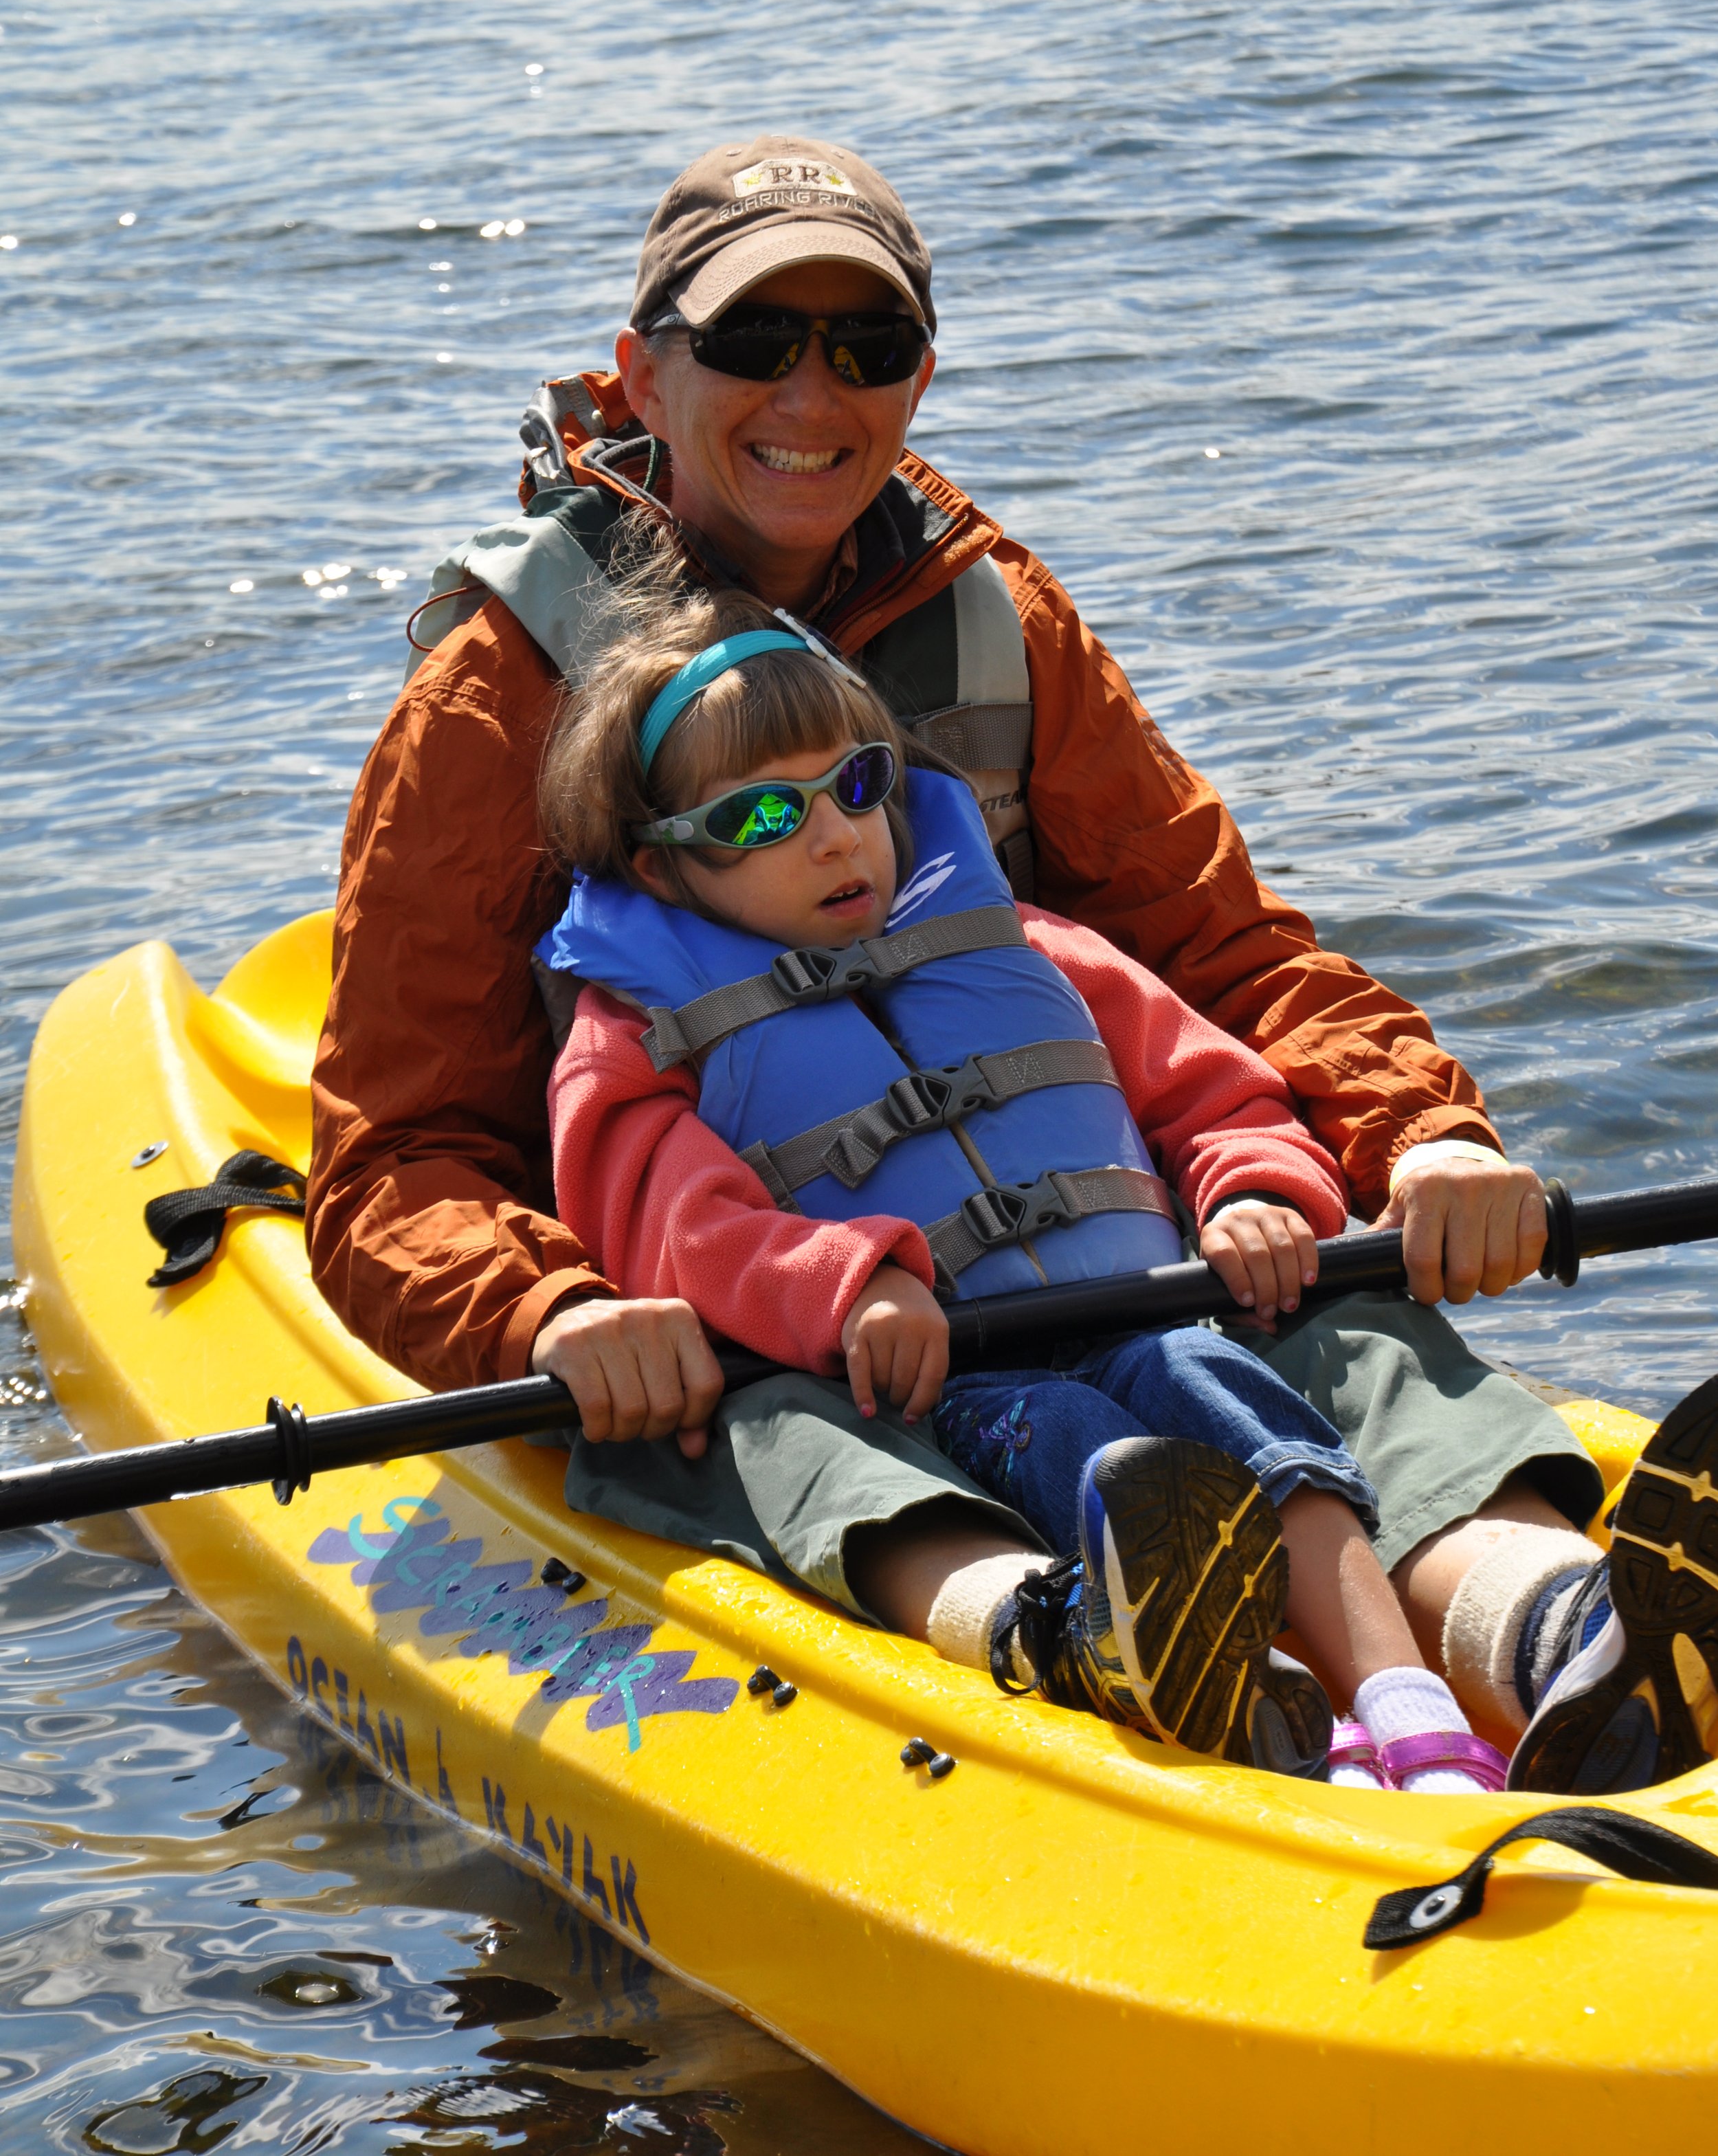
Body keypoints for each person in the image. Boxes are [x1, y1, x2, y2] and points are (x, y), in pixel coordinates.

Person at [306, 133, 1695, 1785]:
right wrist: (550, 1307)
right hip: (766, 1309)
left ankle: (1561, 1631)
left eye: (866, 347)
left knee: (1339, 1328)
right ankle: (1073, 1637)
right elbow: (394, 1156)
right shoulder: (492, 703)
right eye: (753, 342)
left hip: (1087, 1254)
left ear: (916, 377)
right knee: (793, 1438)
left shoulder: (995, 615)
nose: (810, 392)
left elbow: (1221, 952)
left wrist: (1422, 1133)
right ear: (641, 374)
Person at [532, 569, 1518, 1793]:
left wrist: (1252, 1190)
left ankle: (1410, 1706)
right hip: (935, 1387)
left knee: (1221, 1390)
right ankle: (1264, 1715)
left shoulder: (1031, 950)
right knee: (1088, 1451)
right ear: (665, 870)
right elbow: (675, 1229)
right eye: (760, 819)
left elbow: (1207, 1091)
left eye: (858, 784)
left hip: (1137, 1319)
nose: (837, 836)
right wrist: (847, 1289)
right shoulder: (637, 1039)